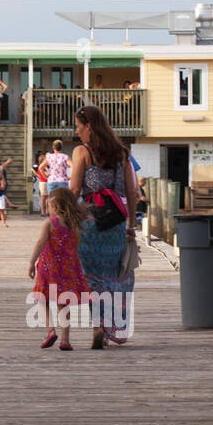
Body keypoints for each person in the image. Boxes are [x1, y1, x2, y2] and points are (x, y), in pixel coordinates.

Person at [70, 105, 139, 349]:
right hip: (115, 224)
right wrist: (132, 223)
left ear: (88, 126)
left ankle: (97, 325)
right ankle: (110, 327)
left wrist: (63, 219)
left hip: (90, 224)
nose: (77, 132)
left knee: (90, 276)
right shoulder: (121, 153)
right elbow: (131, 192)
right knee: (114, 277)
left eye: (78, 127)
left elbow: (76, 190)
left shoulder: (82, 152)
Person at [28, 187, 90, 351]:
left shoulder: (50, 223)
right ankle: (65, 340)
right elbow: (75, 248)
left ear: (56, 207)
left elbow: (40, 242)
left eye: (49, 207)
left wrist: (31, 262)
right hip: (67, 269)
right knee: (63, 303)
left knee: (42, 299)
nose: (48, 210)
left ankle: (50, 331)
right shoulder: (74, 225)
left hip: (48, 267)